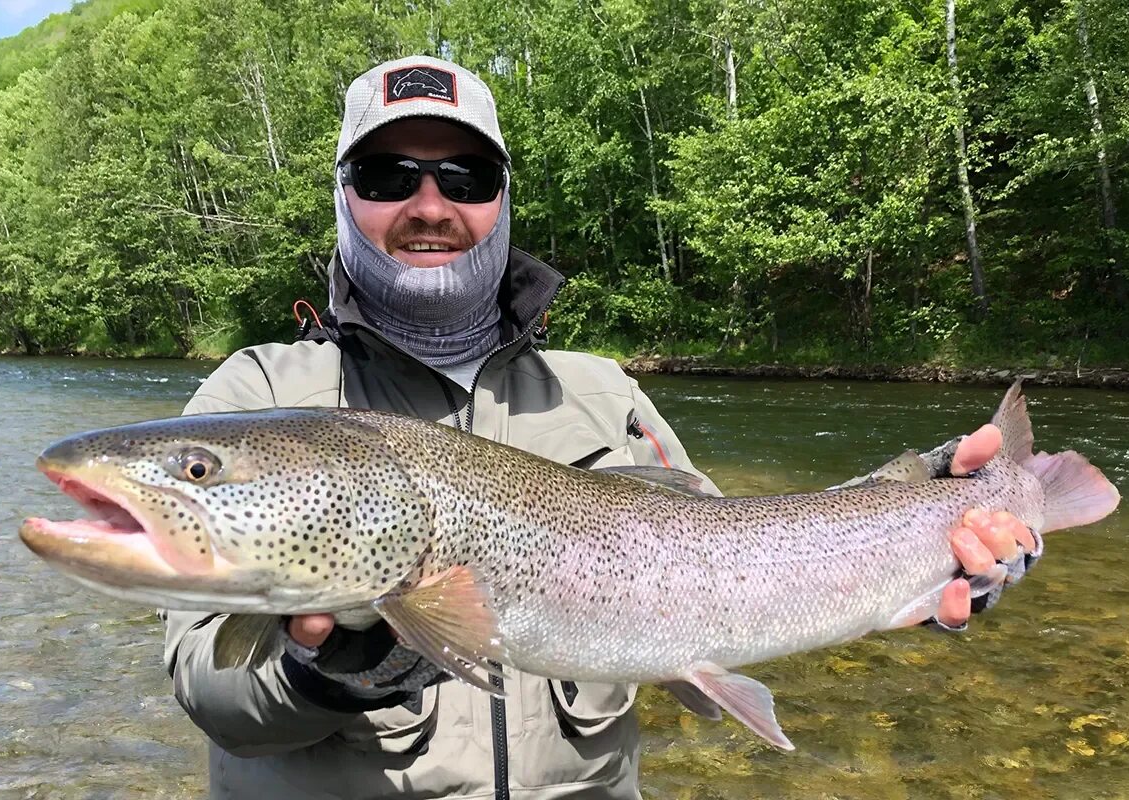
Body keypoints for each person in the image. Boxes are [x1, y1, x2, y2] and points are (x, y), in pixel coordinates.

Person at [163, 56, 1037, 800]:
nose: (429, 205)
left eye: (463, 179)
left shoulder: (601, 392)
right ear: (344, 196)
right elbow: (210, 689)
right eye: (389, 177)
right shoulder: (261, 397)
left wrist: (912, 531)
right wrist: (327, 674)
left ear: (501, 202)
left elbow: (725, 568)